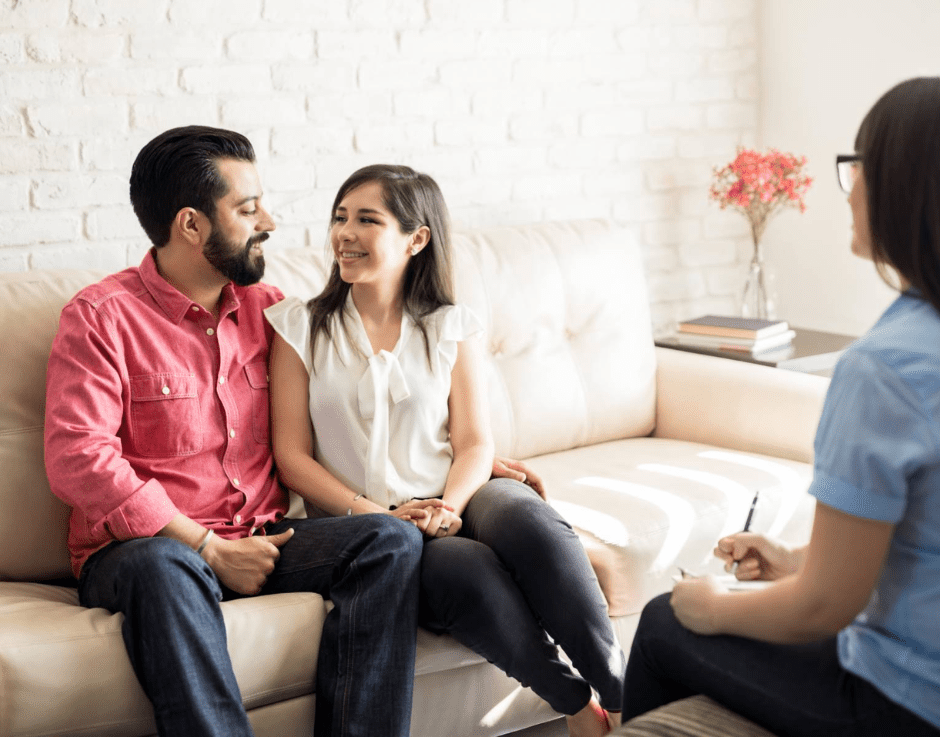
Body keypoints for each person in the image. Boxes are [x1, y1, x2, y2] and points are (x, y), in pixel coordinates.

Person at [43, 126, 430, 737]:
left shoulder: (269, 309)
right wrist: (206, 547)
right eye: (248, 209)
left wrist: (479, 457)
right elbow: (77, 456)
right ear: (192, 225)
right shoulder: (100, 318)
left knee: (389, 542)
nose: (268, 220)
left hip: (264, 536)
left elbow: (362, 389)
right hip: (152, 550)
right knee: (162, 568)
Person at [622, 77, 940, 737]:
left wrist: (711, 606)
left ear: (904, 187)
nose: (850, 189)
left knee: (661, 621)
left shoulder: (883, 368)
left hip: (903, 703)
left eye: (859, 167)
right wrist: (798, 561)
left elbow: (823, 607)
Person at [265, 164, 627, 737]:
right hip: (369, 528)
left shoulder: (450, 326)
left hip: (457, 492)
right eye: (339, 218)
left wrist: (449, 507)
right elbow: (292, 457)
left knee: (528, 521)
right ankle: (580, 707)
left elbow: (475, 442)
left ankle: (631, 699)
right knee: (469, 570)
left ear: (416, 238)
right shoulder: (297, 326)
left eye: (367, 220)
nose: (345, 234)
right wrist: (380, 517)